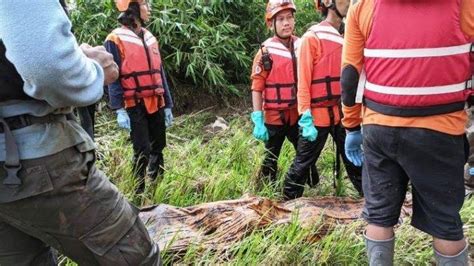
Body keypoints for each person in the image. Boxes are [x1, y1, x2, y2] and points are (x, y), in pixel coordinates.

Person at [0, 0, 161, 265]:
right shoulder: (117, 38)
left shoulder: (148, 38)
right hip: (33, 157)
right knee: (135, 256)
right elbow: (49, 68)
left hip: (16, 161)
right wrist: (93, 71)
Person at [341, 0, 473, 264]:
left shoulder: (364, 6)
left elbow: (349, 77)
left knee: (379, 216)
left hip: (379, 129)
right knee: (445, 221)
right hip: (440, 131)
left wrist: (351, 126)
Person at [282, 0, 363, 200]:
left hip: (342, 113)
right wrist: (305, 116)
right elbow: (303, 82)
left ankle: (371, 206)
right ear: (328, 2)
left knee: (356, 162)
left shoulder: (349, 35)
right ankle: (286, 204)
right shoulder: (312, 37)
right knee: (302, 164)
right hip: (316, 117)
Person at [105, 0, 174, 194]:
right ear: (133, 8)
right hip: (134, 103)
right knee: (142, 148)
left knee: (159, 145)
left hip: (156, 100)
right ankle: (138, 190)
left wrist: (168, 104)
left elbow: (159, 72)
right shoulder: (115, 39)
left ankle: (156, 185)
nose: (149, 8)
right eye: (145, 4)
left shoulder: (150, 37)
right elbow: (113, 77)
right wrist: (118, 109)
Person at [251, 0, 319, 187]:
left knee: (306, 153)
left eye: (289, 17)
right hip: (274, 117)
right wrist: (257, 118)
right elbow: (257, 88)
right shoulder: (265, 52)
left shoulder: (303, 45)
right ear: (270, 23)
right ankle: (267, 189)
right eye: (280, 19)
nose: (286, 23)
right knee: (271, 156)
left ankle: (312, 187)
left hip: (299, 114)